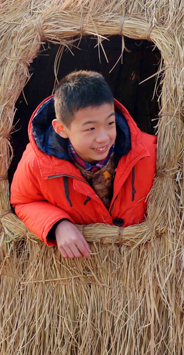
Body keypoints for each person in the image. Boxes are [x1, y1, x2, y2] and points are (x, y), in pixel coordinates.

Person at [10, 70, 157, 258]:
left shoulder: (148, 152)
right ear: (61, 129)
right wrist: (58, 224)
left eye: (110, 123)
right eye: (91, 128)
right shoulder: (37, 163)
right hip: (83, 271)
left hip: (140, 263)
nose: (103, 138)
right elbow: (23, 201)